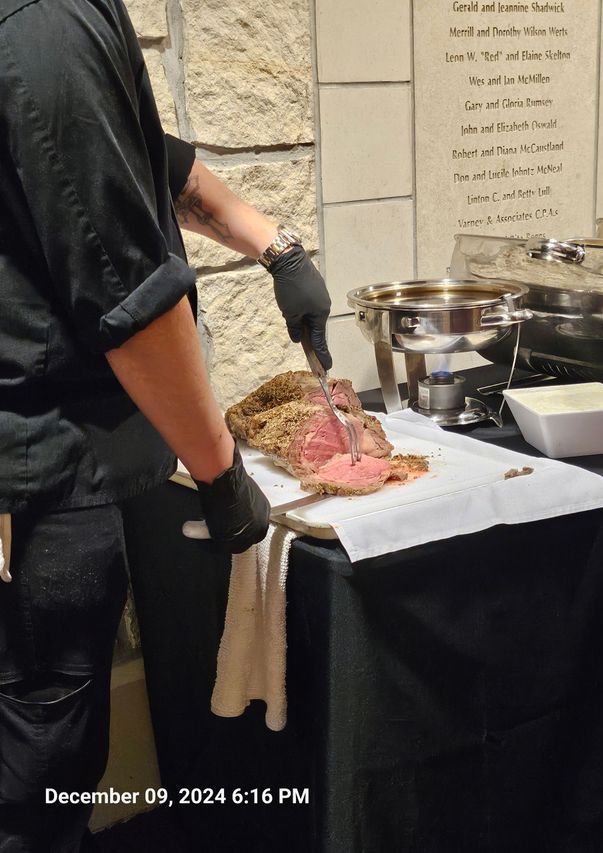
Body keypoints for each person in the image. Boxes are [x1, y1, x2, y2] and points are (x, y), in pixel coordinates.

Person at [0, 0, 332, 848]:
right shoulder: (43, 18)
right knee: (38, 791)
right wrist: (221, 475)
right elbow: (127, 295)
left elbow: (135, 154)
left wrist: (275, 245)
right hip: (34, 487)